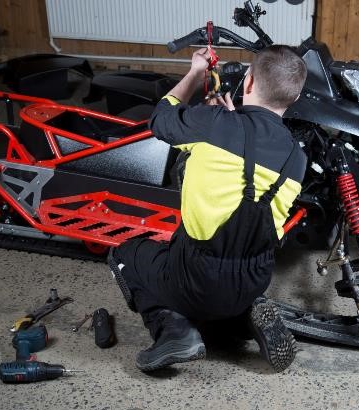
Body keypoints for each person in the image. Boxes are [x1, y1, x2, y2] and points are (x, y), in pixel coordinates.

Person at [108, 44, 308, 372]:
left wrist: (196, 72)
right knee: (225, 279)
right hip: (255, 277)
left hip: (196, 279)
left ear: (248, 82)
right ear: (294, 97)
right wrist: (230, 120)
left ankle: (173, 331)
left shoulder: (213, 124)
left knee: (125, 256)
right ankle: (245, 317)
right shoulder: (296, 159)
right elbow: (252, 149)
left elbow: (160, 118)